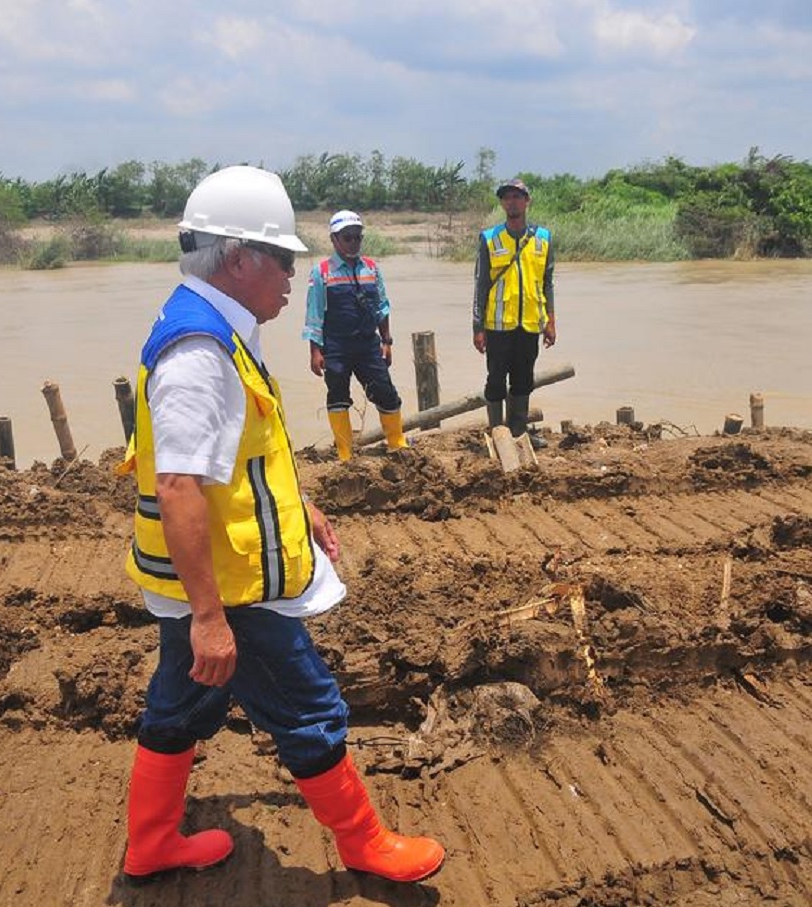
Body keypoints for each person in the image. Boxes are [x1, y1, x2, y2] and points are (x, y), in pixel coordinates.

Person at [117, 165, 445, 884]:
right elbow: (178, 486)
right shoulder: (199, 351)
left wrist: (301, 506)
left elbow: (241, 457)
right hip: (230, 586)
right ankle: (364, 843)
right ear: (239, 259)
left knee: (180, 702)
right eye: (283, 259)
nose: (294, 276)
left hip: (213, 577)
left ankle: (152, 840)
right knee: (308, 705)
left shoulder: (217, 327)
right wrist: (210, 617)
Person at [302, 210, 408, 461]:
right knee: (338, 397)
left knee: (386, 392)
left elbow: (382, 307)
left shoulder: (371, 268)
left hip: (368, 345)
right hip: (336, 346)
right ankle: (345, 454)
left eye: (357, 237)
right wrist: (315, 351)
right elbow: (314, 314)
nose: (353, 242)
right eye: (347, 238)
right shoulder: (321, 272)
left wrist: (387, 341)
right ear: (334, 239)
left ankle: (397, 444)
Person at [472, 177, 556, 442]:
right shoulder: (489, 238)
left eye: (517, 196)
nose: (512, 202)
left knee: (523, 380)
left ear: (527, 201)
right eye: (507, 197)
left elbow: (547, 284)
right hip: (497, 325)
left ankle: (519, 433)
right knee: (496, 380)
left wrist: (550, 322)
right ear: (502, 203)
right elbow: (480, 286)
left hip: (530, 323)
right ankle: (498, 433)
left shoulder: (543, 238)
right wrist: (477, 328)